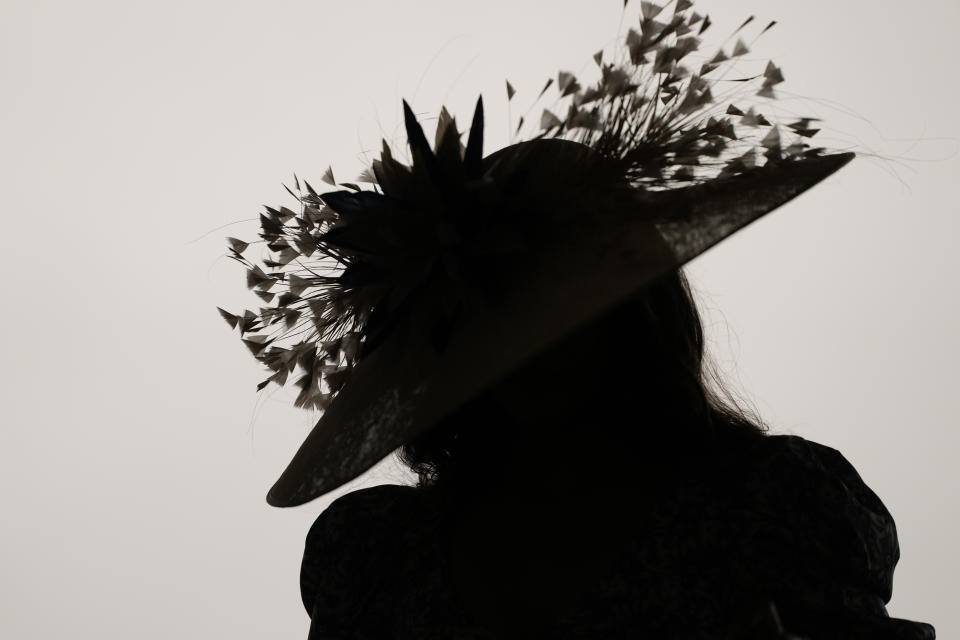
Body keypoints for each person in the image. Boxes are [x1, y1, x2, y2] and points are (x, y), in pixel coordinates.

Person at [219, 2, 937, 637]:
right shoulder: (380, 557)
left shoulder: (766, 510)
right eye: (490, 320)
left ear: (635, 318)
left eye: (559, 311)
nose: (531, 350)